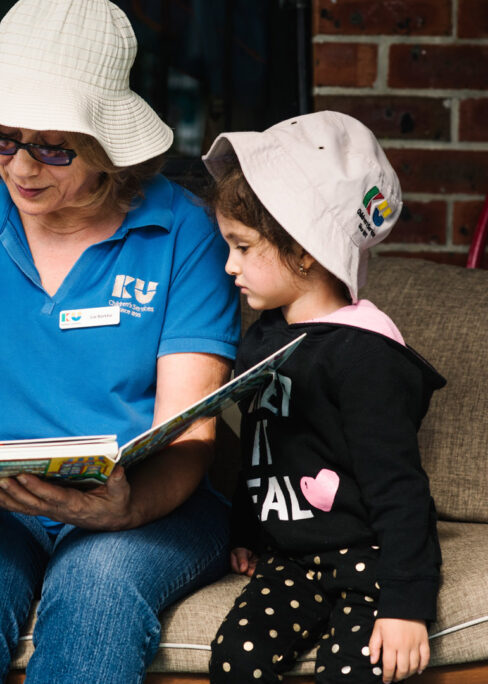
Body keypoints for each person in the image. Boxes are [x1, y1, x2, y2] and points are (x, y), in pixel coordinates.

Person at [0, 1, 240, 682]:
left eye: (53, 147)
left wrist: (129, 506)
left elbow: (189, 433)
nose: (20, 167)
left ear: (109, 145)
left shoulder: (183, 234)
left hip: (144, 499)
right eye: (0, 137)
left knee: (98, 588)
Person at [202, 111, 445, 684]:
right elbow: (265, 447)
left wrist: (407, 605)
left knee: (353, 671)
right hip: (289, 561)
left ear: (304, 250)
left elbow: (399, 486)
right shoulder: (263, 337)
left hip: (368, 562)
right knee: (234, 659)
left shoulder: (364, 355)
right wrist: (247, 532)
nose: (230, 266)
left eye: (242, 247)